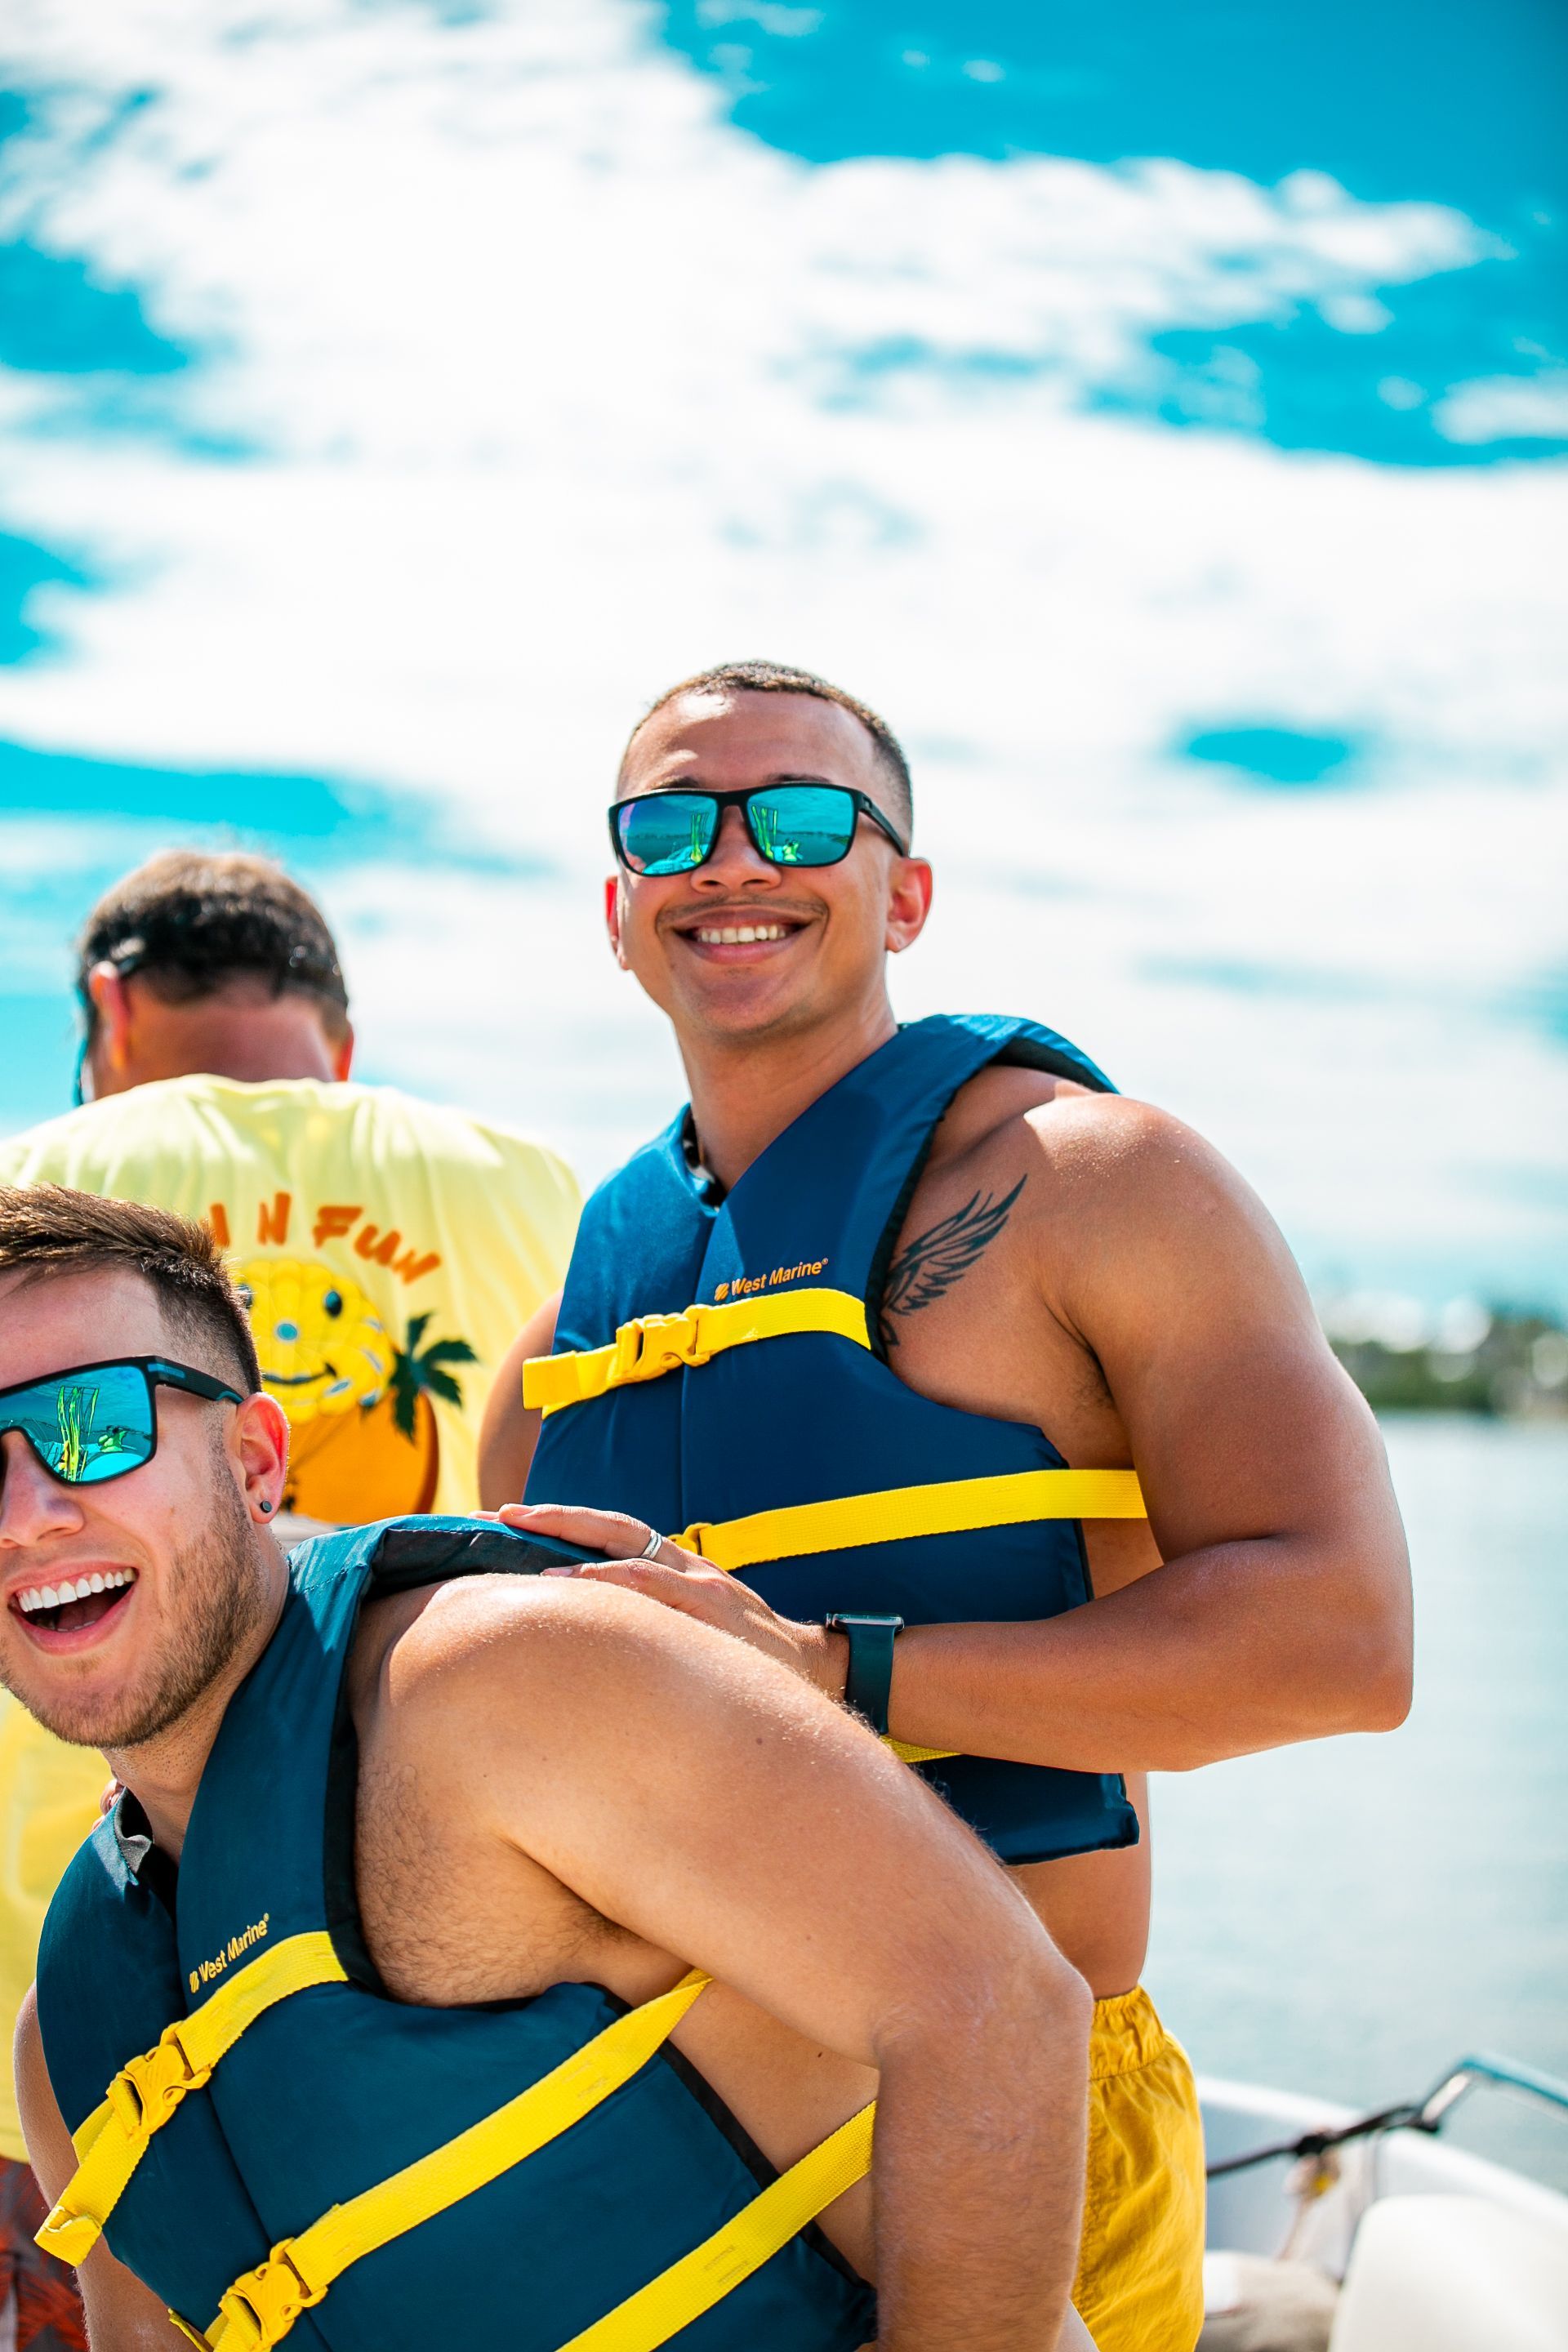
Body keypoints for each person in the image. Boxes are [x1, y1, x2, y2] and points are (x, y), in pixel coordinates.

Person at [479, 659, 1415, 2352]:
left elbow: (1343, 1641)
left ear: (904, 889)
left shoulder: (1098, 1186)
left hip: (1012, 2107)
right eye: (674, 823)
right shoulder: (556, 1354)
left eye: (808, 816)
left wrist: (839, 1670)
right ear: (618, 909)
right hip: (621, 2143)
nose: (735, 860)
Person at [1, 1187, 1096, 2352]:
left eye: (92, 1425)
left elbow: (994, 2008)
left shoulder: (503, 1689)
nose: (25, 1514)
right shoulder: (71, 2045)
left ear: (256, 1460)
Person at [0, 851, 580, 2341]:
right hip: (461, 1975)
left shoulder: (26, 1183)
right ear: (338, 1036)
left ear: (108, 1006)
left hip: (76, 2011)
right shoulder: (535, 1186)